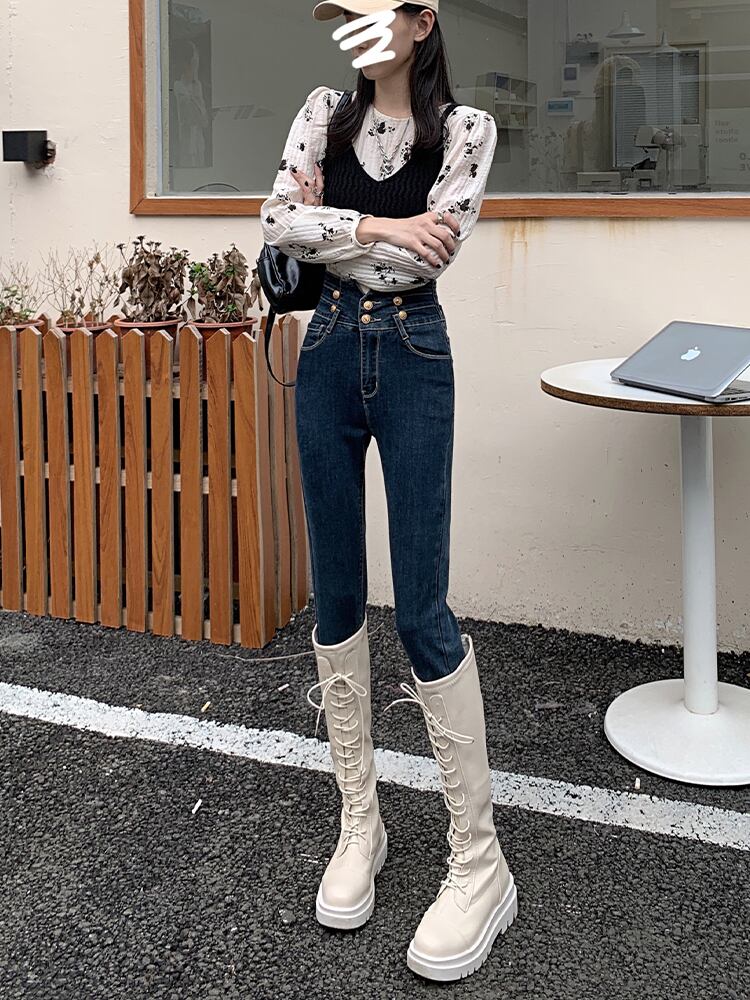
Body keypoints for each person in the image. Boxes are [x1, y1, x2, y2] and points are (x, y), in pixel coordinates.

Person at [259, 0, 517, 982]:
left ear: (420, 22)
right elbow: (276, 220)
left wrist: (343, 232)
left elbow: (433, 245)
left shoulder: (466, 129)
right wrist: (376, 223)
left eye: (372, 14)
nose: (356, 31)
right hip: (324, 346)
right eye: (344, 16)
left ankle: (480, 862)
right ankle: (359, 821)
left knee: (420, 609)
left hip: (413, 352)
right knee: (333, 596)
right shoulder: (321, 113)